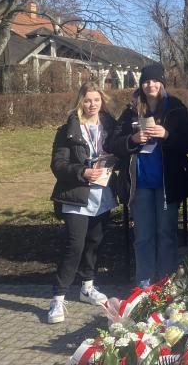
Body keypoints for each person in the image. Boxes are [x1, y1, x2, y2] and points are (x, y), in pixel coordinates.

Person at [109, 63, 188, 288]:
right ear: (141, 85)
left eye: (155, 80)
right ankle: (144, 285)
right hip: (141, 184)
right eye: (146, 81)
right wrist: (132, 140)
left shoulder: (175, 108)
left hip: (167, 183)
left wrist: (167, 134)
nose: (151, 85)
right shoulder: (130, 110)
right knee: (143, 237)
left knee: (166, 235)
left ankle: (167, 283)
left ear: (162, 83)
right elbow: (113, 144)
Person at [48, 82, 118, 323]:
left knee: (94, 243)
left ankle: (87, 288)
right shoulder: (68, 129)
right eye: (87, 100)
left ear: (102, 101)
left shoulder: (109, 125)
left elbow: (120, 148)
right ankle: (57, 298)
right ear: (80, 102)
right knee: (74, 246)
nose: (92, 105)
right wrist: (82, 172)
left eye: (96, 100)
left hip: (103, 195)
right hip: (76, 196)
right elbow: (58, 165)